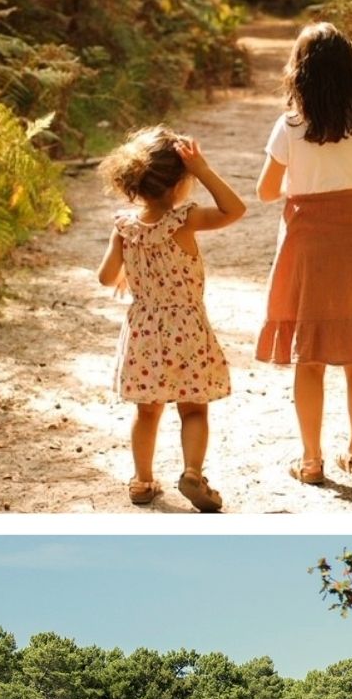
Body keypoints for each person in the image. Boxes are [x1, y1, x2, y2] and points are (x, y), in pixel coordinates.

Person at [255, 22, 352, 485]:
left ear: (299, 72)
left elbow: (264, 192)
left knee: (310, 357)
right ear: (348, 73)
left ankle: (312, 460)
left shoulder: (291, 126)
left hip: (306, 242)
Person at [95, 126, 245, 510]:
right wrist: (206, 169)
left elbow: (105, 277)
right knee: (193, 407)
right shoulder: (186, 220)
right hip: (188, 330)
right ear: (181, 181)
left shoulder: (124, 227)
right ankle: (192, 474)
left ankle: (142, 482)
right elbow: (235, 210)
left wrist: (130, 268)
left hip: (144, 331)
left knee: (147, 410)